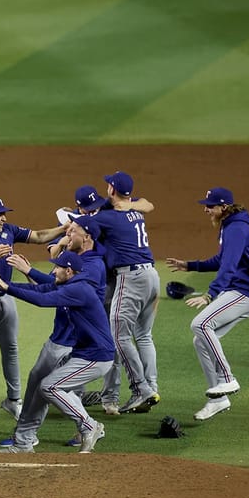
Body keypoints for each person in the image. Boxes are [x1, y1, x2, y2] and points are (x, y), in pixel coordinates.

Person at [0, 251, 115, 454]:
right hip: (83, 354)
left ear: (68, 270)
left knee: (49, 387)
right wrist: (3, 285)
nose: (54, 271)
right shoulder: (69, 284)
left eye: (57, 267)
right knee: (44, 384)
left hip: (96, 357)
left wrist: (7, 287)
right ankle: (24, 442)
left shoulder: (79, 289)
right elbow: (39, 289)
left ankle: (89, 426)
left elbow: (41, 300)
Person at [0, 197, 67, 434]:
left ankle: (13, 400)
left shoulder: (8, 230)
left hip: (7, 297)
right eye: (0, 215)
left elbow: (39, 236)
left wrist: (63, 229)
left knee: (11, 349)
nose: (5, 218)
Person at [165, 187, 249, 420]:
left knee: (200, 324)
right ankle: (218, 400)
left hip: (244, 292)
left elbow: (228, 266)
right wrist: (191, 266)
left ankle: (228, 379)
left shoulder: (237, 228)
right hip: (237, 291)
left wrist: (210, 295)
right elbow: (221, 259)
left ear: (224, 207)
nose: (206, 209)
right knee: (201, 341)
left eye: (210, 205)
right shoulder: (230, 226)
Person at [92, 172, 161, 414]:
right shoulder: (134, 209)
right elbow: (148, 204)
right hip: (152, 275)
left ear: (112, 189)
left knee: (118, 337)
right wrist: (130, 204)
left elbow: (80, 228)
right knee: (143, 336)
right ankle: (152, 387)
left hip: (130, 278)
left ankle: (141, 389)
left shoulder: (107, 217)